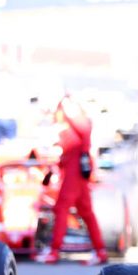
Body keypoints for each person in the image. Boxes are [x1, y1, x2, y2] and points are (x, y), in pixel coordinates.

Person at [35, 97, 108, 265]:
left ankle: (54, 251)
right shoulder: (65, 120)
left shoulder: (71, 113)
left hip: (74, 172)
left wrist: (81, 153)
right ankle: (100, 251)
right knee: (86, 212)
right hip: (73, 171)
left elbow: (85, 130)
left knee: (61, 208)